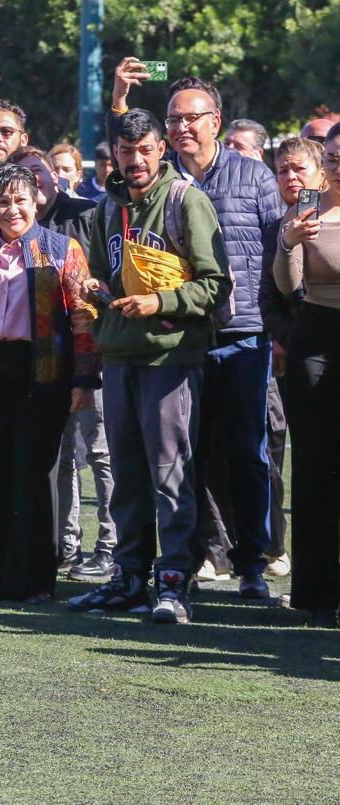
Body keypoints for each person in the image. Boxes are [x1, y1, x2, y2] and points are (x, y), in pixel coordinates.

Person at [110, 59, 283, 598]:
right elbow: (124, 151)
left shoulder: (254, 175)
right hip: (180, 336)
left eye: (193, 118)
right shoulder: (163, 179)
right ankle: (205, 554)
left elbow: (282, 250)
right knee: (187, 452)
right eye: (174, 120)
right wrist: (117, 101)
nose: (183, 128)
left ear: (217, 120)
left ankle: (254, 560)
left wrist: (278, 323)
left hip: (242, 336)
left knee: (248, 450)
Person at [70, 108, 230, 624]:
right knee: (127, 474)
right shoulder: (105, 209)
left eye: (144, 150)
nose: (135, 159)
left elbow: (216, 283)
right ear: (113, 153)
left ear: (162, 149)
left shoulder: (186, 200)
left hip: (170, 356)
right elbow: (97, 274)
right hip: (120, 355)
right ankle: (129, 577)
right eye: (125, 150)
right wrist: (92, 292)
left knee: (169, 473)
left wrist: (159, 302)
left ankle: (175, 582)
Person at [0, 164, 97, 602]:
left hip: (42, 375)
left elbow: (83, 318)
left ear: (37, 202)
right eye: (2, 201)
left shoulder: (61, 248)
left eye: (20, 200)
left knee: (35, 477)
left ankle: (35, 582)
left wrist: (84, 377)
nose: (12, 209)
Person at [10, 145, 116, 580]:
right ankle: (64, 544)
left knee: (100, 453)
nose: (33, 182)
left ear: (56, 175)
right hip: (45, 362)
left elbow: (108, 274)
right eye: (24, 176)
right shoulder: (12, 226)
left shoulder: (87, 214)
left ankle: (110, 545)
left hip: (91, 351)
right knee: (62, 455)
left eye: (39, 172)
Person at [274, 125, 340, 627]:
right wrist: (289, 242)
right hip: (315, 336)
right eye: (334, 156)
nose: (339, 165)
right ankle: (316, 595)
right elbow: (289, 285)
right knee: (315, 469)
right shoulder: (306, 211)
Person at [259, 136, 323, 578]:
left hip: (323, 350)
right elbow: (268, 297)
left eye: (299, 168)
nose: (291, 177)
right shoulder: (273, 226)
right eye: (282, 170)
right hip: (293, 356)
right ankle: (294, 565)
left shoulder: (331, 221)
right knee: (298, 464)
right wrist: (285, 338)